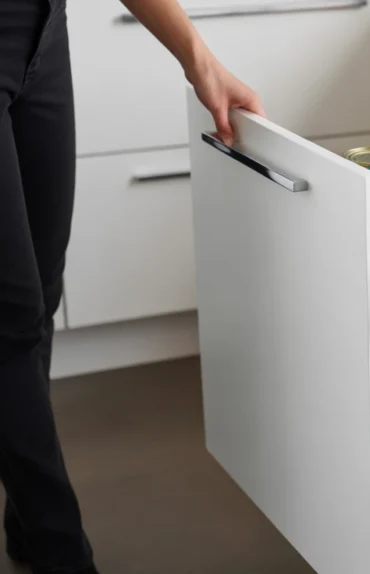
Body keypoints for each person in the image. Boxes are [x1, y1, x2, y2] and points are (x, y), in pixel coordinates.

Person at [0, 1, 262, 572]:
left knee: (41, 292)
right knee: (11, 316)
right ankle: (59, 547)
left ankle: (23, 514)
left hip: (42, 28)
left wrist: (200, 62)